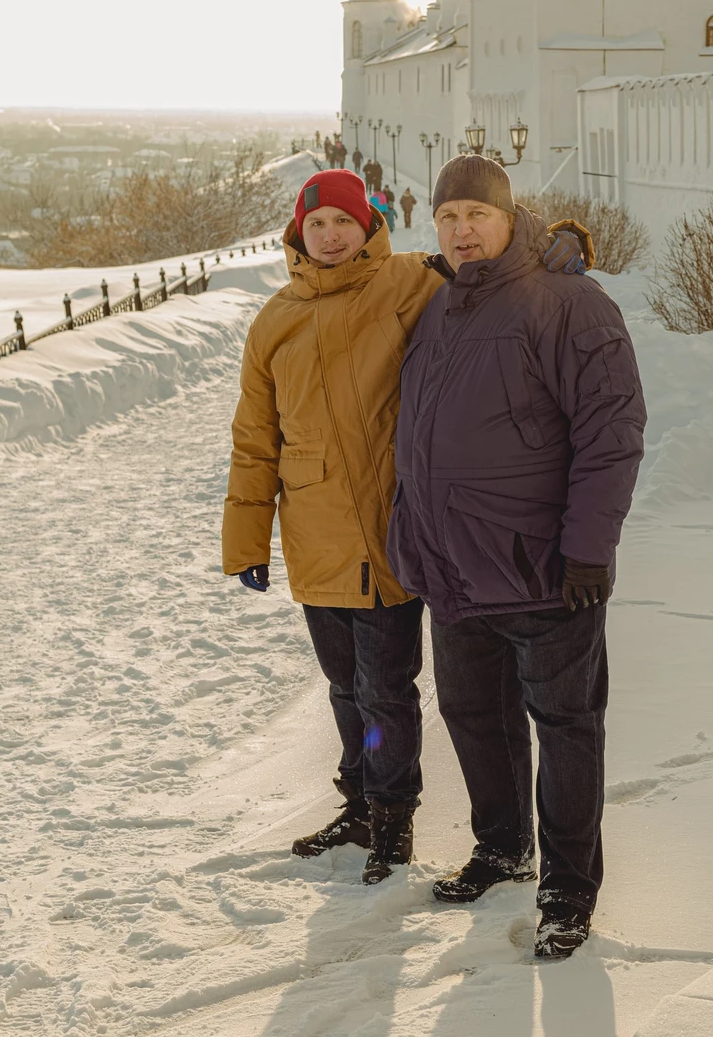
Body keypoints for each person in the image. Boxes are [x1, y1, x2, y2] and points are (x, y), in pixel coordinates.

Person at [222, 167, 591, 887]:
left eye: (344, 224)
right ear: (299, 234)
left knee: (386, 686)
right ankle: (358, 802)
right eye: (317, 225)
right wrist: (245, 538)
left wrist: (553, 249)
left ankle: (392, 815)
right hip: (315, 536)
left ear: (370, 228)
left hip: (397, 533)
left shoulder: (410, 284)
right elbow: (254, 438)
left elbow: (486, 272)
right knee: (342, 685)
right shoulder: (274, 320)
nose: (330, 237)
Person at [387, 154, 646, 960]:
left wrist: (589, 549)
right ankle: (502, 848)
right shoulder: (439, 308)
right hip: (455, 568)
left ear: (511, 217)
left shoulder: (571, 303)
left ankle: (567, 890)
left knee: (565, 727)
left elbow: (612, 433)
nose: (463, 232)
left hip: (543, 570)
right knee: (473, 714)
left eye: (478, 215)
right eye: (448, 218)